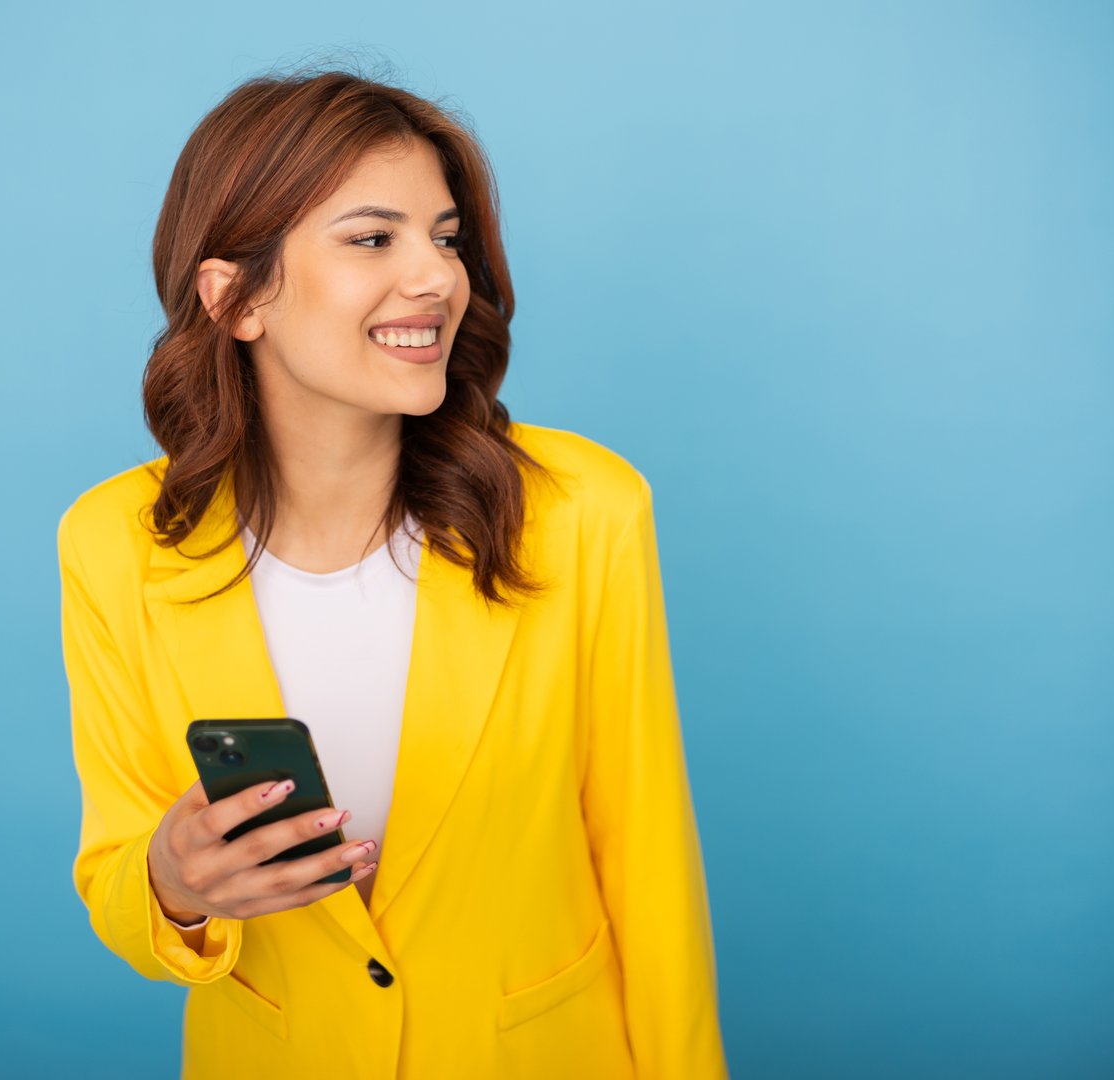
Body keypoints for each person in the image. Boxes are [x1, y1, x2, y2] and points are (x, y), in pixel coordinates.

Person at [58, 63, 729, 1078]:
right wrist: (175, 879)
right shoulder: (114, 540)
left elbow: (651, 868)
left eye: (446, 238)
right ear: (235, 297)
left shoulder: (585, 512)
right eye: (375, 238)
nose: (437, 277)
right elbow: (120, 876)